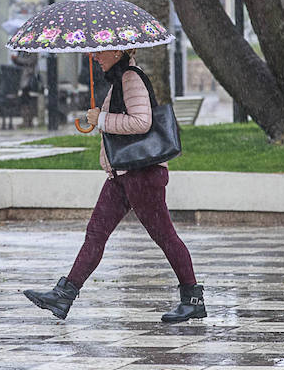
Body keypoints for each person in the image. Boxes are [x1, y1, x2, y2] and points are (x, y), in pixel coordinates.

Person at [23, 48, 205, 323]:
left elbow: (142, 122)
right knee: (96, 232)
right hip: (122, 174)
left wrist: (103, 120)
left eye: (100, 51)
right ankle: (64, 294)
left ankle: (192, 299)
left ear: (118, 51)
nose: (94, 55)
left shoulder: (130, 78)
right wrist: (101, 119)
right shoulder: (118, 80)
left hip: (141, 175)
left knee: (164, 235)